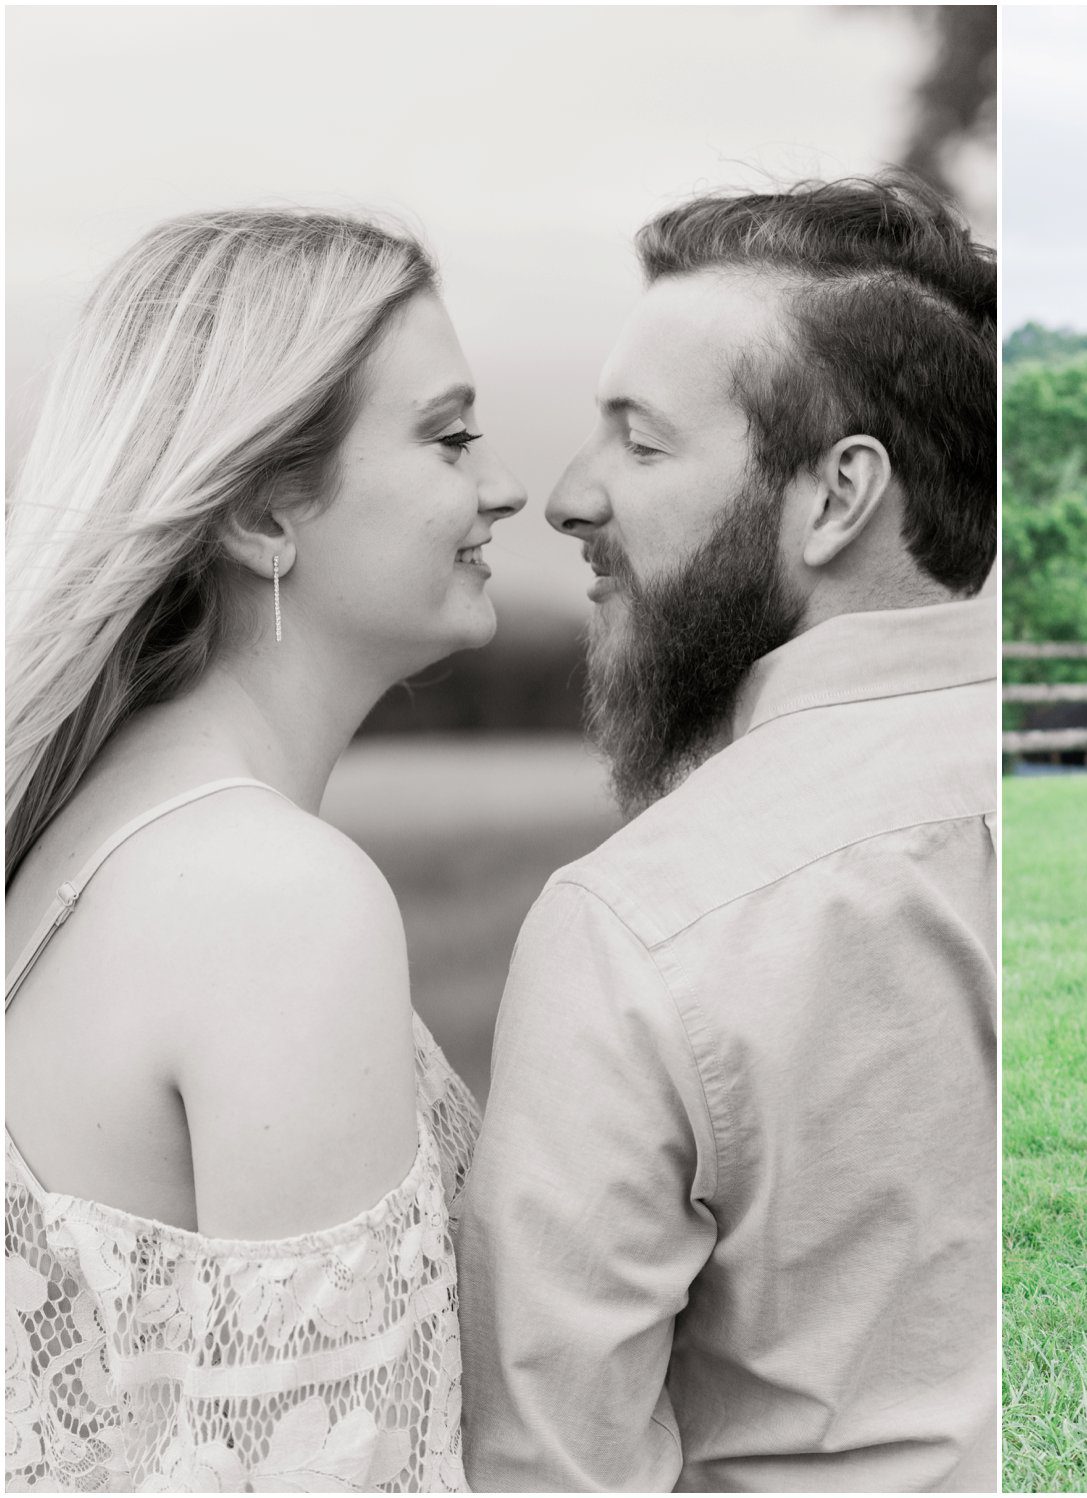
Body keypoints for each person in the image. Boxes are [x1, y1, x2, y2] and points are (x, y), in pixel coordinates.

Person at [456, 174, 998, 1492]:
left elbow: (554, 1465)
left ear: (833, 495)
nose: (571, 498)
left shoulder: (645, 919)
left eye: (639, 443)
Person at [4, 209, 526, 1489]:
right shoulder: (269, 897)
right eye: (448, 437)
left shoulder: (81, 845)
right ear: (261, 517)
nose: (501, 486)